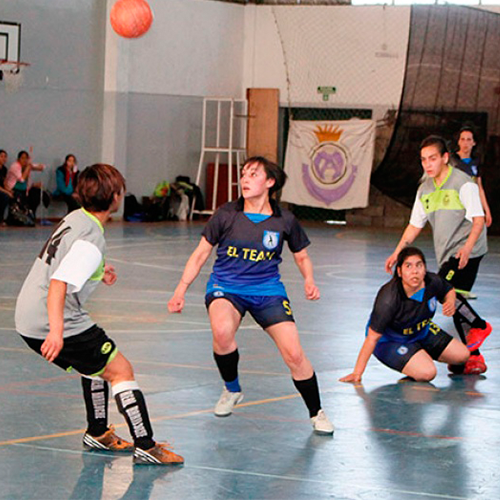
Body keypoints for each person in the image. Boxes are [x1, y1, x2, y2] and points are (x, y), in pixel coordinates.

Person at [15, 163, 184, 466]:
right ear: (115, 197)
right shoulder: (92, 237)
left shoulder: (76, 218)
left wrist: (98, 271)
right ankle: (146, 446)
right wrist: (56, 331)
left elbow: (64, 259)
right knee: (121, 371)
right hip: (51, 317)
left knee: (92, 364)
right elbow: (58, 283)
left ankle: (98, 432)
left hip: (27, 316)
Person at [168, 156, 334, 435]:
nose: (244, 179)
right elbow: (200, 254)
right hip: (226, 287)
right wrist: (180, 290)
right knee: (221, 332)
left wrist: (309, 280)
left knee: (294, 354)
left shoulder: (285, 220)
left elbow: (302, 256)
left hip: (267, 291)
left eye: (253, 174)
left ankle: (316, 412)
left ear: (270, 182)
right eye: (243, 174)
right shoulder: (226, 214)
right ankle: (232, 389)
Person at [385, 135, 492, 375]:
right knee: (452, 299)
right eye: (423, 160)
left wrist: (466, 249)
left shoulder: (464, 183)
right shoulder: (425, 189)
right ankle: (472, 357)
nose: (428, 164)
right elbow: (414, 226)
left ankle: (480, 326)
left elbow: (479, 220)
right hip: (447, 253)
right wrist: (397, 252)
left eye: (432, 158)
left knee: (441, 289)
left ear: (445, 158)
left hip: (468, 249)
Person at [340, 247, 470, 383]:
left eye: (419, 265)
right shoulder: (388, 299)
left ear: (425, 269)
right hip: (391, 341)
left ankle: (418, 356)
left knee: (463, 355)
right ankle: (414, 363)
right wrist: (357, 373)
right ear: (399, 271)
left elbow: (448, 289)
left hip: (421, 331)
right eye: (408, 266)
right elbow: (372, 338)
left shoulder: (432, 282)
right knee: (427, 373)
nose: (415, 271)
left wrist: (449, 302)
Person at [449, 127, 492, 228]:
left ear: (474, 143)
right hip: (454, 206)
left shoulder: (476, 162)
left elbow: (479, 188)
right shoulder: (451, 161)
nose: (465, 143)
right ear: (458, 142)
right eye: (462, 139)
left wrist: (486, 210)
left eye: (469, 140)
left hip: (471, 206)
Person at [5, 150, 50, 217]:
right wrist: (28, 167)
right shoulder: (15, 166)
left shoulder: (26, 166)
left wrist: (37, 167)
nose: (24, 160)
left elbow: (42, 167)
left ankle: (32, 214)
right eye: (22, 158)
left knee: (36, 195)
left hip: (25, 190)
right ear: (18, 159)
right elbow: (22, 179)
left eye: (26, 158)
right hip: (13, 190)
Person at [0, 149, 14, 224]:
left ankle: (10, 218)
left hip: (2, 189)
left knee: (14, 195)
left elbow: (4, 183)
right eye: (1, 156)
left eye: (5, 157)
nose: (3, 158)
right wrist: (7, 192)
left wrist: (9, 190)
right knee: (5, 196)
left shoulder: (4, 169)